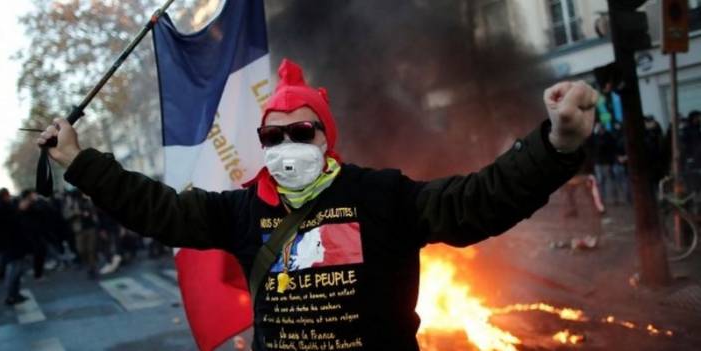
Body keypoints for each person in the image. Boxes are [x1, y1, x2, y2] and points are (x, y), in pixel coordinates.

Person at [38, 59, 597, 350]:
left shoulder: (380, 194)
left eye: (299, 131)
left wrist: (557, 146)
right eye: (271, 137)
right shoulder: (241, 211)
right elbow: (156, 209)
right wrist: (81, 163)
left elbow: (478, 202)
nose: (285, 147)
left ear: (325, 136)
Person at [0, 188, 31, 305]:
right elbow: (10, 223)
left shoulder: (7, 207)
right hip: (11, 245)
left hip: (15, 244)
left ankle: (15, 294)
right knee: (14, 270)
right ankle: (10, 295)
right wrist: (19, 210)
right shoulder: (4, 208)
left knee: (18, 270)